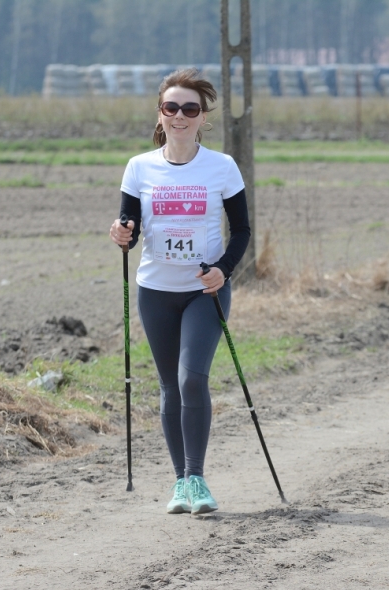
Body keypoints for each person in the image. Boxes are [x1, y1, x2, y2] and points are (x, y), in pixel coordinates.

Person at [110, 68, 250, 515]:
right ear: (160, 114)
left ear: (203, 117)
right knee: (170, 384)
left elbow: (242, 230)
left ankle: (197, 478)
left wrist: (223, 270)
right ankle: (179, 484)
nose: (180, 116)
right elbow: (130, 230)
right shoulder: (139, 167)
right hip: (155, 291)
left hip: (203, 292)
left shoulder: (222, 167)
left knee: (192, 378)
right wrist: (122, 234)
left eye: (190, 109)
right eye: (172, 107)